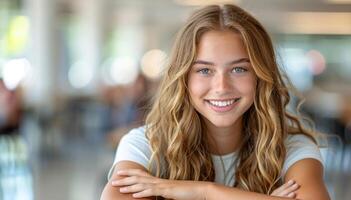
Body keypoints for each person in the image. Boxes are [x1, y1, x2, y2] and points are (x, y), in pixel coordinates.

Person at [100, 4, 330, 200]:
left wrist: (204, 192)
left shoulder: (293, 148)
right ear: (183, 78)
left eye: (239, 69)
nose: (221, 87)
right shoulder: (146, 145)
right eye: (204, 70)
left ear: (261, 76)